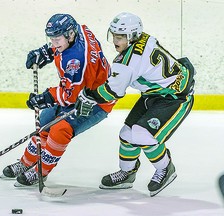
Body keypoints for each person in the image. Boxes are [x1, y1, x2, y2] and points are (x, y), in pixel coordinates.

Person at [75, 12, 195, 196]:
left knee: (143, 135)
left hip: (175, 97)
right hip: (155, 94)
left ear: (132, 36)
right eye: (114, 35)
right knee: (127, 134)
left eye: (121, 36)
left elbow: (113, 92)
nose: (116, 40)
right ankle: (127, 173)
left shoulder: (129, 61)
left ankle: (165, 168)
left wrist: (89, 95)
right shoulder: (143, 39)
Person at [0, 13, 115, 186]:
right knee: (45, 119)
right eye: (51, 39)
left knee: (60, 129)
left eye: (57, 40)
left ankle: (41, 171)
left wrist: (46, 98)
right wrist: (46, 52)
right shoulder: (80, 30)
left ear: (69, 34)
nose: (54, 43)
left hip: (95, 102)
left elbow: (71, 96)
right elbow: (64, 53)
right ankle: (27, 162)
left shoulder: (75, 61)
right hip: (83, 90)